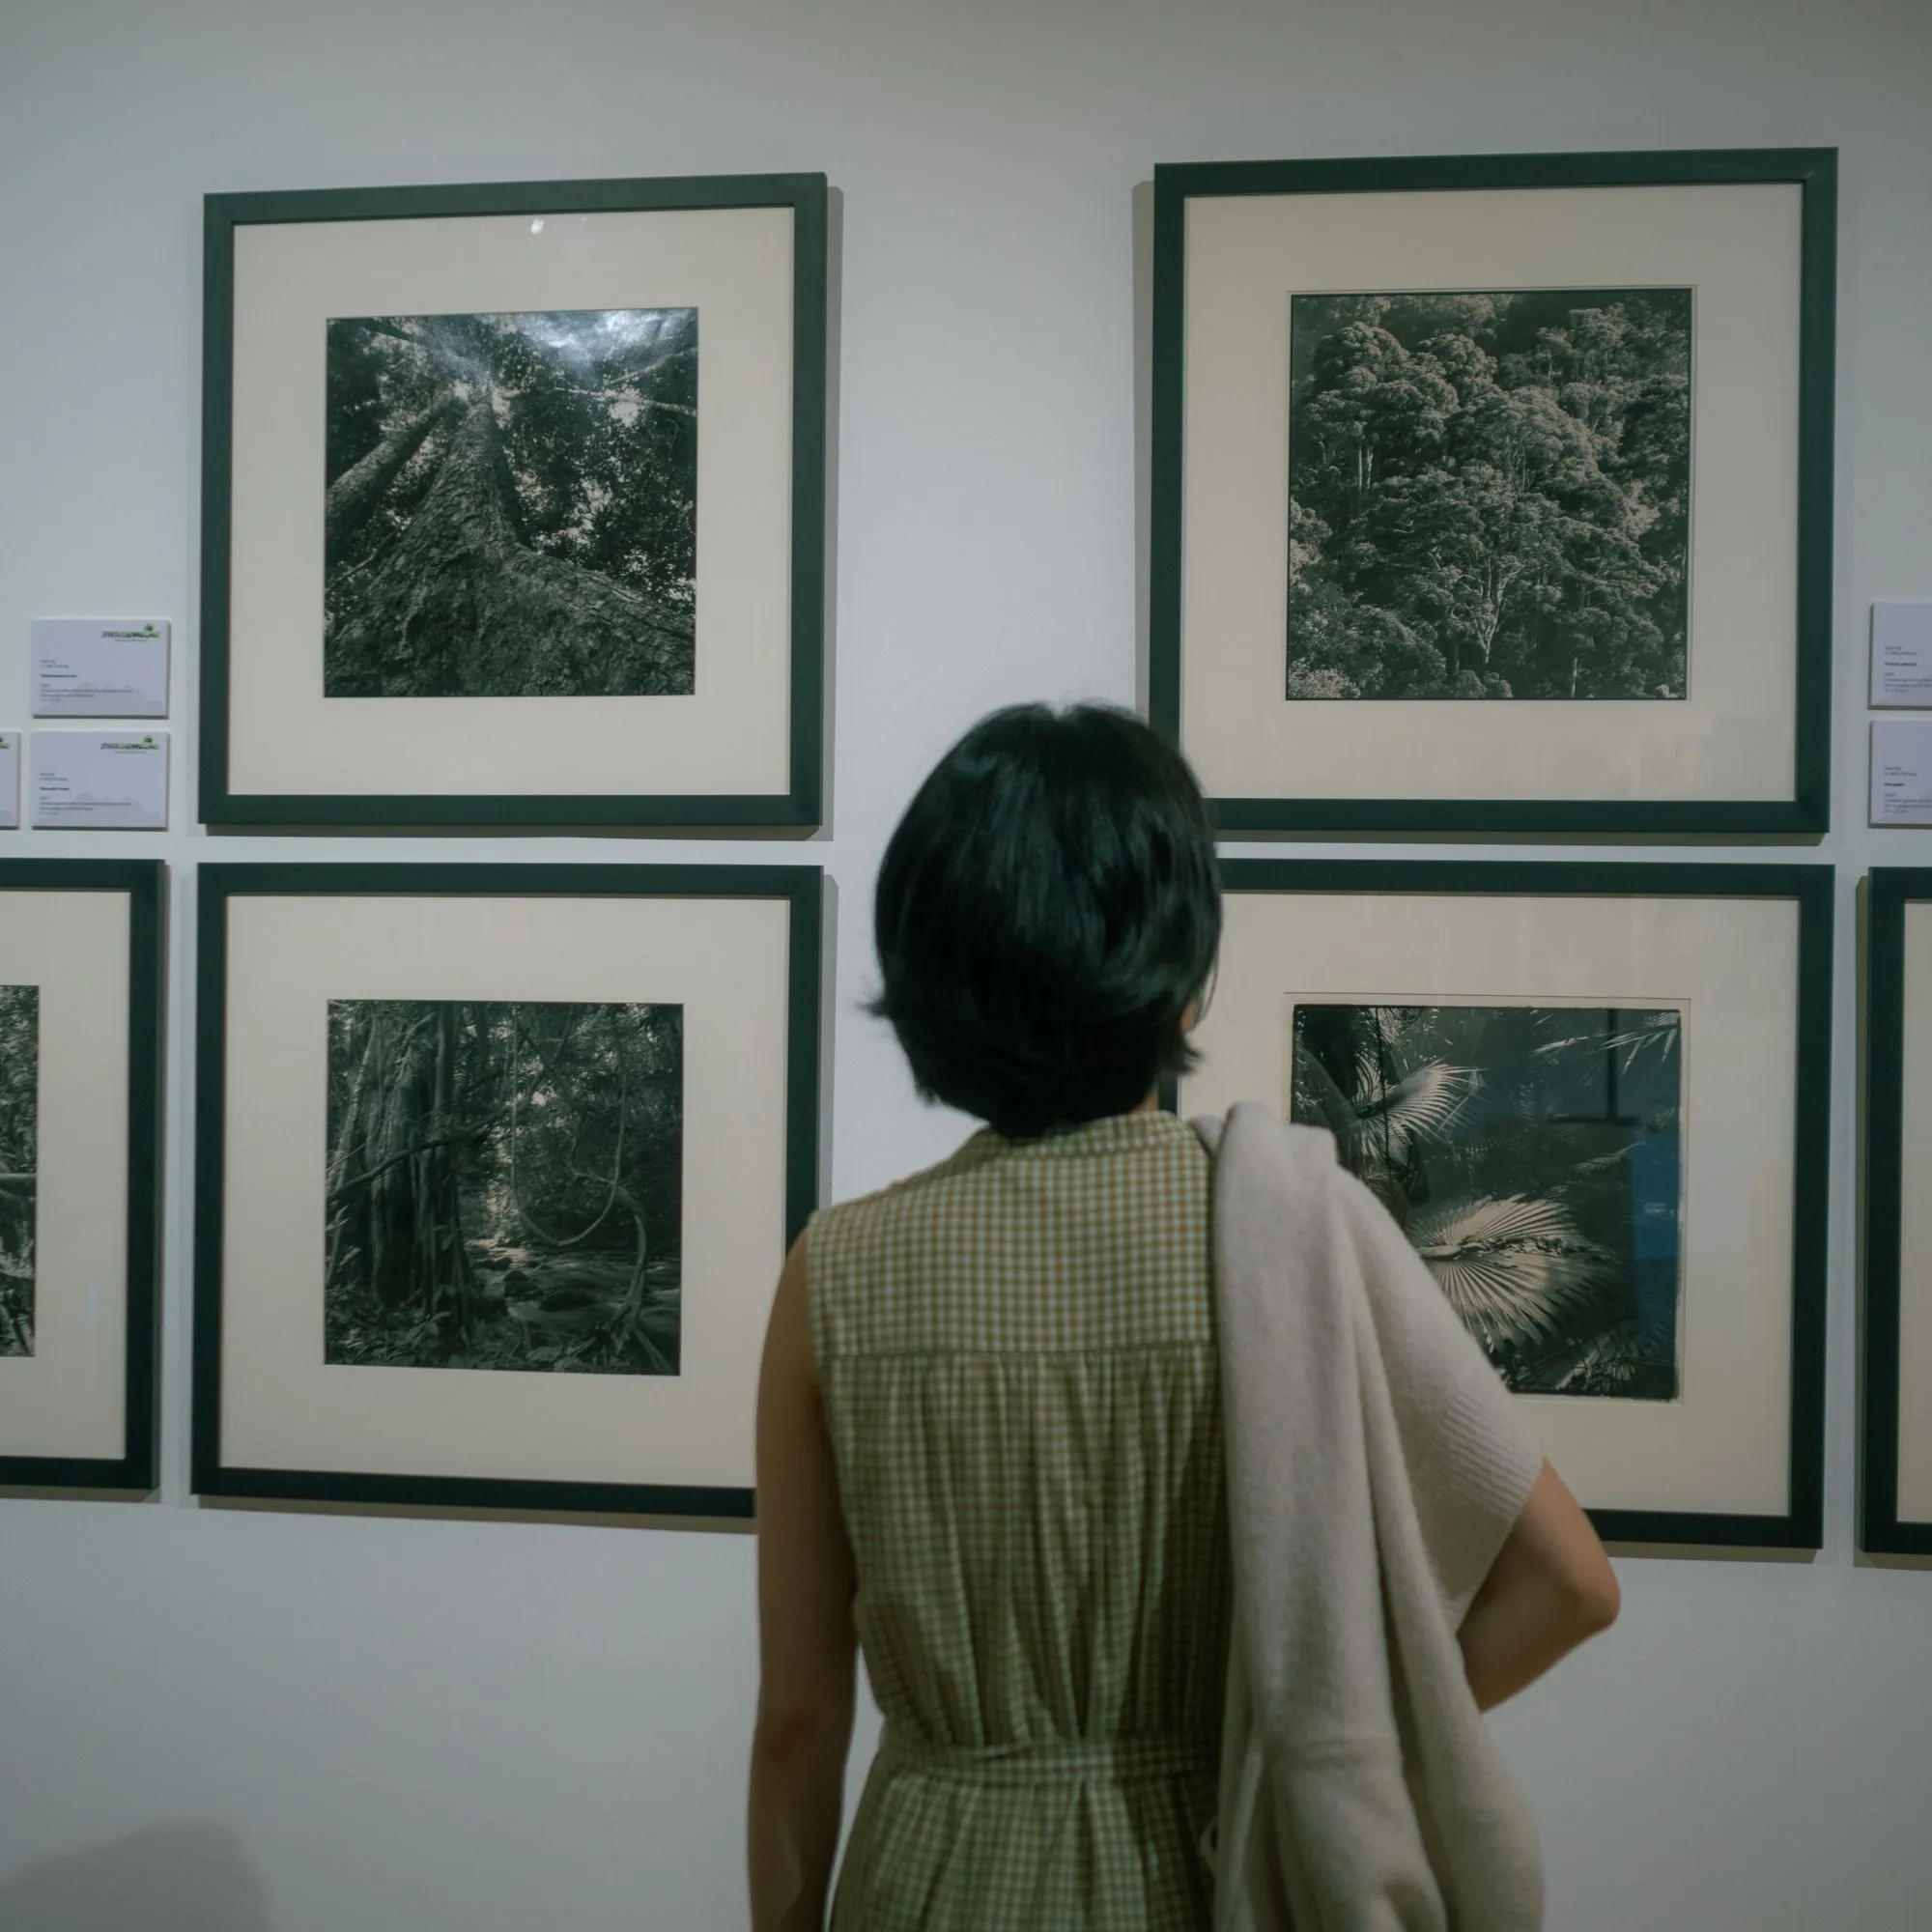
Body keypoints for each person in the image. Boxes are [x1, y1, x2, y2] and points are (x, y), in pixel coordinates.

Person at [747, 703, 1619, 1932]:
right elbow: (1569, 1584)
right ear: (1180, 978)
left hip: (927, 1876)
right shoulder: (1298, 1229)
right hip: (1214, 1872)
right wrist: (1339, 1752)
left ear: (931, 970)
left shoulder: (832, 1270)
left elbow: (797, 1720)